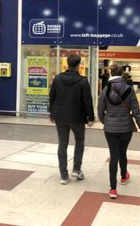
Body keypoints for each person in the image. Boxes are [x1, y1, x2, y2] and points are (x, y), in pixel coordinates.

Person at [98, 63, 140, 199]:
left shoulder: (106, 90)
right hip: (126, 128)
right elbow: (136, 110)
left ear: (111, 74)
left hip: (110, 128)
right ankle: (124, 177)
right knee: (122, 152)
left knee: (114, 156)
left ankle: (113, 189)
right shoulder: (129, 89)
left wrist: (104, 121)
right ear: (122, 74)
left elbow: (100, 109)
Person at [49, 54, 95, 185]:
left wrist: (52, 114)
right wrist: (90, 118)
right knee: (79, 141)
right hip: (77, 118)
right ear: (79, 65)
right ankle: (76, 169)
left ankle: (63, 175)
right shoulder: (82, 81)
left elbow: (52, 97)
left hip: (60, 117)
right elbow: (88, 101)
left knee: (62, 144)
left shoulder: (57, 79)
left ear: (67, 64)